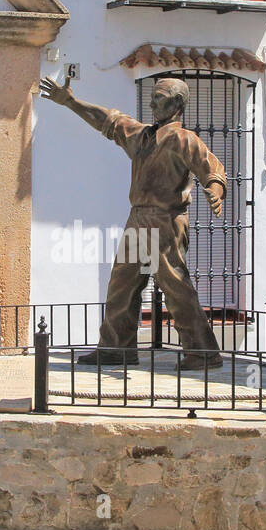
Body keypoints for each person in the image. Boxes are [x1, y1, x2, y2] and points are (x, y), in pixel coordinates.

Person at [39, 74, 227, 370]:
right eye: (152, 96)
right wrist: (71, 102)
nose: (152, 102)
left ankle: (202, 351)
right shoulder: (142, 137)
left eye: (160, 97)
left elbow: (212, 169)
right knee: (122, 284)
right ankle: (116, 347)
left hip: (164, 220)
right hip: (138, 218)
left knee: (173, 284)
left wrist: (215, 191)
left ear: (177, 103)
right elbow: (109, 121)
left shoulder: (183, 139)